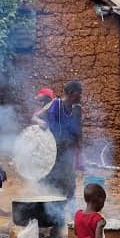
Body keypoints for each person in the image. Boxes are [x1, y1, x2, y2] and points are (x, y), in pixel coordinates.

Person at [33, 81, 83, 210]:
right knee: (51, 180)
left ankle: (71, 212)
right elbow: (35, 117)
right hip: (52, 150)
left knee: (69, 181)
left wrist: (79, 152)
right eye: (79, 93)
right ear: (71, 93)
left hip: (68, 151)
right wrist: (40, 122)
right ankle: (49, 210)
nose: (80, 96)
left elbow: (79, 131)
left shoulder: (77, 109)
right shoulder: (55, 104)